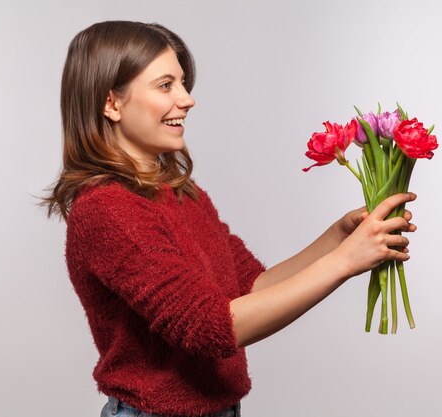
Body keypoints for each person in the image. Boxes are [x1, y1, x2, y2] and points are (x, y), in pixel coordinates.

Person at [42, 21, 417, 417]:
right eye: (165, 85)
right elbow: (215, 328)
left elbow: (250, 287)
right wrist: (345, 261)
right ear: (112, 104)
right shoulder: (107, 210)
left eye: (183, 84)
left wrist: (339, 239)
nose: (187, 100)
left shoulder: (179, 192)